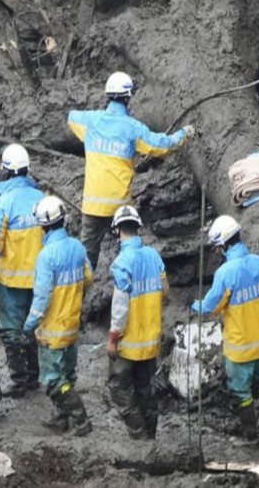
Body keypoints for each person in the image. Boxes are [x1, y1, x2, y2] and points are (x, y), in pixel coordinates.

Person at [67, 71, 196, 271]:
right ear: (128, 97)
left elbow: (71, 117)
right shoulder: (133, 128)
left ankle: (79, 295)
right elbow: (161, 144)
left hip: (92, 205)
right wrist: (183, 134)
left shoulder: (91, 122)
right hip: (120, 207)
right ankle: (131, 294)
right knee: (130, 254)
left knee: (86, 260)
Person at [191, 215, 259, 446]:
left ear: (223, 245)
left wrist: (194, 305)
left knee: (241, 395)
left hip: (240, 350)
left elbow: (210, 308)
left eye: (217, 248)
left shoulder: (225, 273)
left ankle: (252, 438)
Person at [23, 196, 94, 436]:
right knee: (67, 374)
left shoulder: (46, 256)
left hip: (53, 329)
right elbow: (88, 278)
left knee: (53, 380)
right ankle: (62, 417)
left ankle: (80, 419)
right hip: (72, 324)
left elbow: (42, 297)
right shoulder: (77, 247)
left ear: (42, 225)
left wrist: (29, 324)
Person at [0, 143, 45, 397]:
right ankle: (34, 377)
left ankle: (18, 381)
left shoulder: (3, 204)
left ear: (5, 171)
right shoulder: (43, 199)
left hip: (10, 281)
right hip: (39, 280)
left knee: (11, 331)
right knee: (32, 328)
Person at [106, 206, 168, 440]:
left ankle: (138, 433)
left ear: (117, 230)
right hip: (150, 340)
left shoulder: (122, 263)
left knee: (118, 386)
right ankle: (150, 435)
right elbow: (165, 290)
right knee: (145, 389)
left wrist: (113, 338)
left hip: (128, 342)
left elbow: (120, 307)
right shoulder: (153, 256)